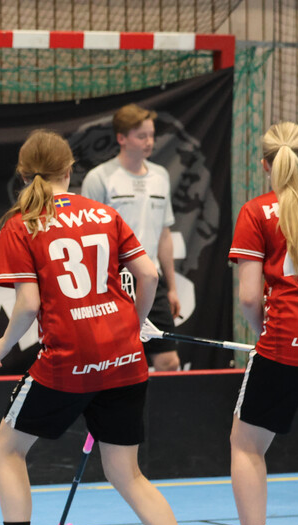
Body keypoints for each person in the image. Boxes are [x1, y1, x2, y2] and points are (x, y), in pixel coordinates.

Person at [0, 129, 211, 525]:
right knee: (128, 473)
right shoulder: (104, 213)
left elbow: (28, 305)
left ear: (24, 174)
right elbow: (148, 274)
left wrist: (1, 346)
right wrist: (134, 324)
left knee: (8, 448)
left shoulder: (23, 224)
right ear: (70, 170)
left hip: (68, 362)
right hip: (124, 359)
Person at [224, 121, 298, 525]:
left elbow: (250, 297)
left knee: (246, 446)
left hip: (286, 345)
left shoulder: (257, 212)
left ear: (265, 165)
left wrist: (263, 337)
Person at [81, 103, 182, 371]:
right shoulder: (99, 178)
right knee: (115, 361)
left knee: (168, 361)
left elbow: (164, 234)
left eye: (152, 135)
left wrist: (171, 288)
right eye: (141, 136)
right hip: (113, 282)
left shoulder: (160, 176)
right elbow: (86, 238)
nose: (149, 142)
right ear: (121, 138)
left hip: (151, 279)